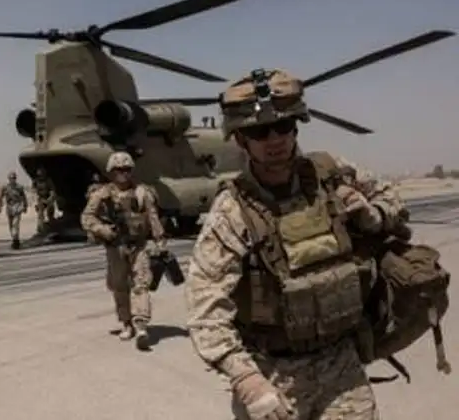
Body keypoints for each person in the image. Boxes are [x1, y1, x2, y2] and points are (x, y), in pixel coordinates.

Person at [185, 69, 406, 420]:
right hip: (274, 373)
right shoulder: (232, 211)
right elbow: (206, 309)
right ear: (241, 140)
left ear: (296, 127)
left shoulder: (332, 173)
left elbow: (392, 199)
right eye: (259, 132)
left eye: (283, 126)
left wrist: (373, 215)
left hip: (342, 365)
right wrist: (248, 381)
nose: (274, 138)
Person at [81, 151, 166, 351]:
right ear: (111, 172)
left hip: (138, 246)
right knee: (119, 287)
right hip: (115, 247)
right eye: (119, 170)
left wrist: (160, 240)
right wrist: (103, 230)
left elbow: (152, 216)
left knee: (141, 284)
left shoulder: (142, 192)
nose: (123, 173)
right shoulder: (102, 194)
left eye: (127, 169)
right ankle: (126, 323)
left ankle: (141, 325)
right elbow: (87, 217)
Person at [0, 171, 28, 249]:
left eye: (14, 178)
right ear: (8, 179)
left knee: (15, 224)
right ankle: (14, 239)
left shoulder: (19, 187)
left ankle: (16, 240)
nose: (12, 179)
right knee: (11, 225)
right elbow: (1, 196)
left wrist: (25, 206)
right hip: (9, 207)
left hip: (17, 206)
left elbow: (24, 197)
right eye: (11, 178)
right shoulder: (5, 187)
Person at [32, 167, 56, 233]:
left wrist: (49, 200)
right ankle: (41, 228)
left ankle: (52, 227)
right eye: (39, 175)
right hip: (40, 199)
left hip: (48, 199)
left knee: (50, 213)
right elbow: (33, 191)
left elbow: (52, 191)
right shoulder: (36, 181)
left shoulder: (48, 181)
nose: (41, 177)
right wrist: (36, 200)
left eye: (42, 175)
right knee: (40, 214)